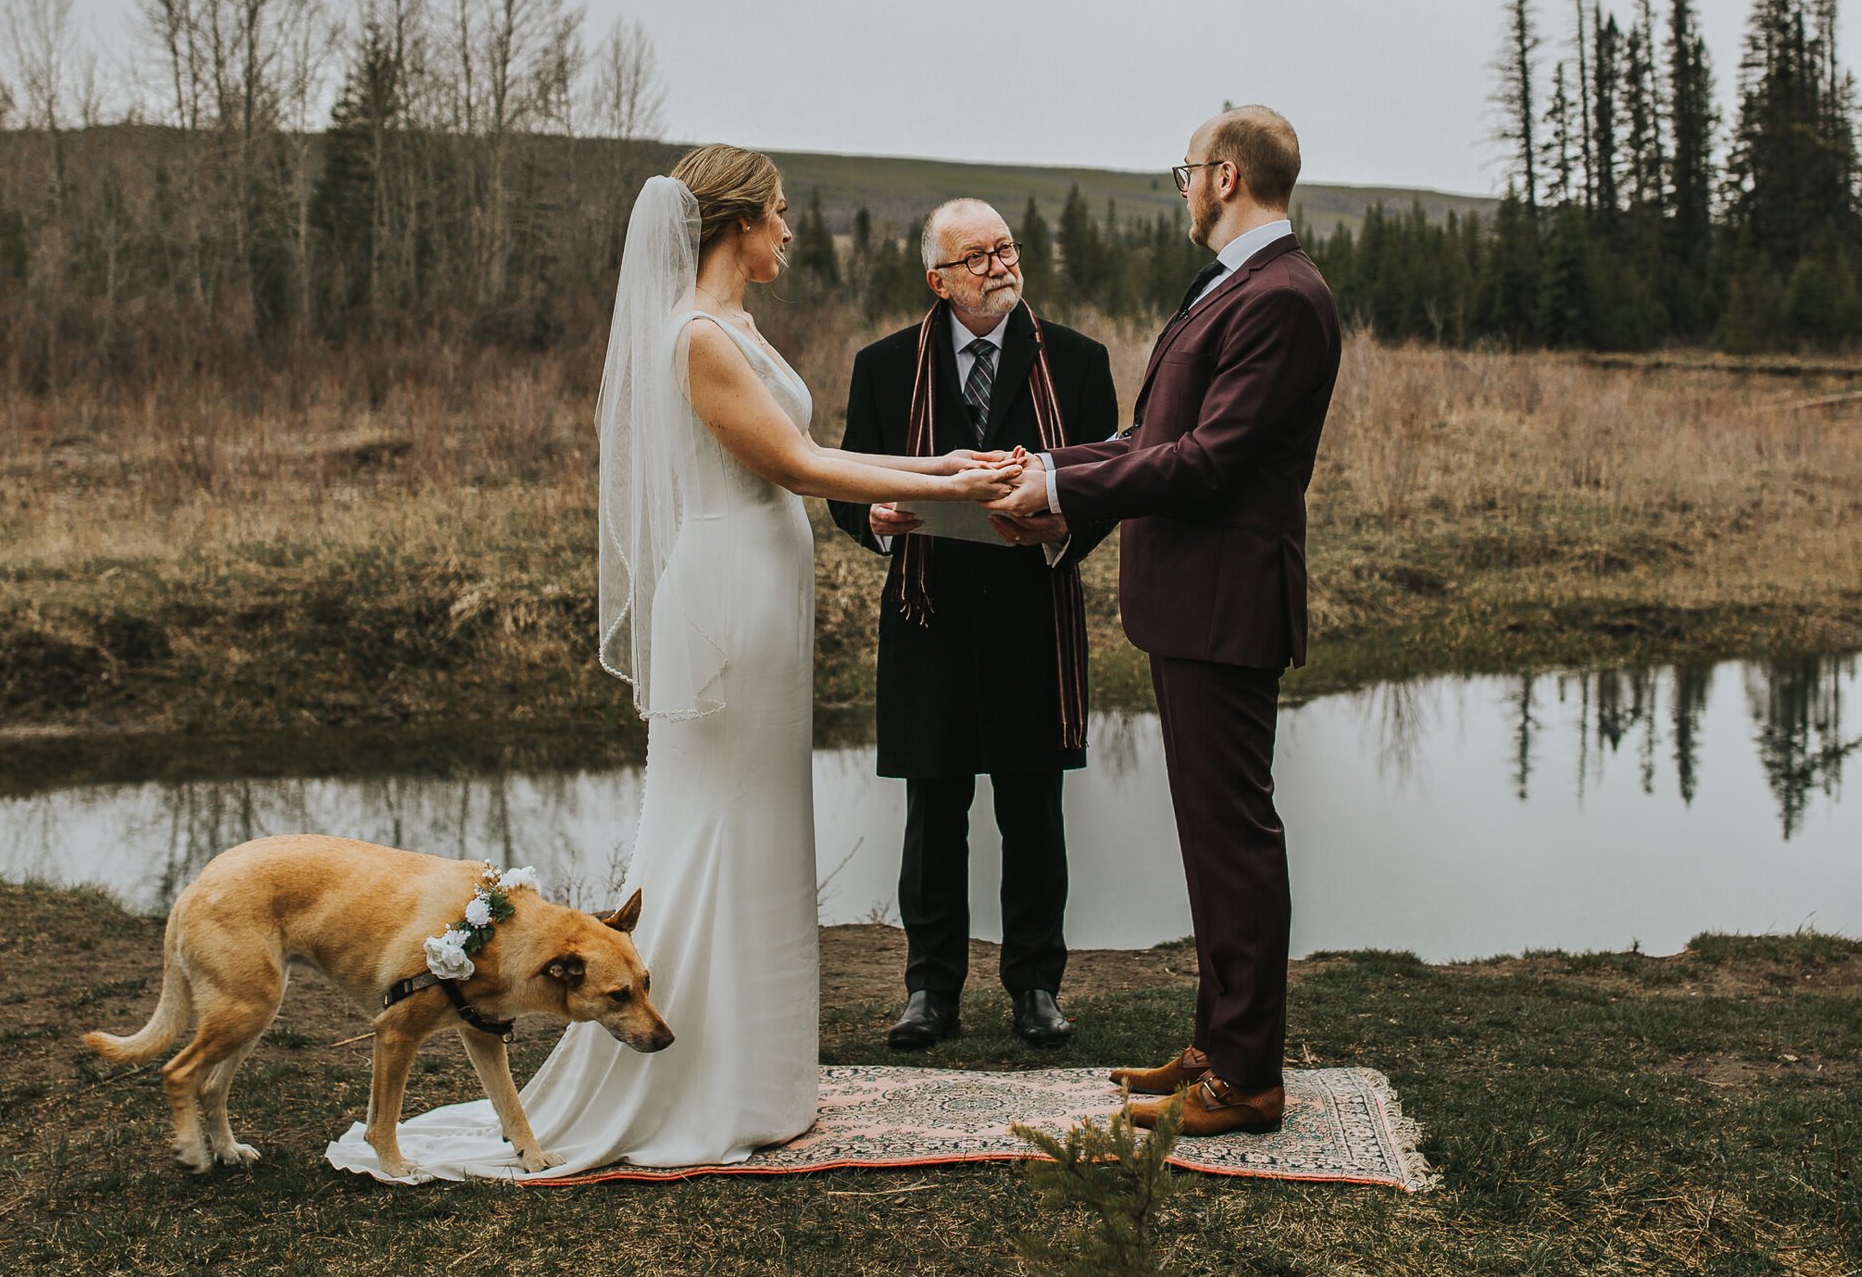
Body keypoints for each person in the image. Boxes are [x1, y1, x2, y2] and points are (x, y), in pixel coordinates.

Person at [343, 146, 1017, 1179]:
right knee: (716, 820)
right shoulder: (699, 337)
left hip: (764, 589)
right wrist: (958, 490)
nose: (792, 229)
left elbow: (811, 449)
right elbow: (793, 465)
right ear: (735, 224)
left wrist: (946, 464)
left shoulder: (738, 326)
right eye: (781, 212)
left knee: (761, 822)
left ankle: (758, 1072)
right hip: (726, 597)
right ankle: (695, 1077)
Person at [987, 106, 1341, 1138]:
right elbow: (1151, 436)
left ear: (1224, 176)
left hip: (1229, 604)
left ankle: (1246, 1078)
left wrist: (1060, 477)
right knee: (1208, 836)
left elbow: (1210, 460)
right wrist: (1048, 472)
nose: (1182, 186)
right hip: (1193, 603)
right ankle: (1213, 1045)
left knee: (1233, 840)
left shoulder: (1283, 296)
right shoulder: (1234, 287)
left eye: (1187, 170)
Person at [826, 199, 1117, 1052]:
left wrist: (1067, 524)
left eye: (1006, 249)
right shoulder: (884, 367)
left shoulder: (1076, 360)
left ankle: (1035, 987)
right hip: (930, 616)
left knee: (1034, 811)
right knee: (933, 810)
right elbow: (847, 478)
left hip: (1035, 616)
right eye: (978, 256)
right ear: (938, 279)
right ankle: (929, 989)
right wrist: (874, 515)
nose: (999, 266)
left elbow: (1106, 478)